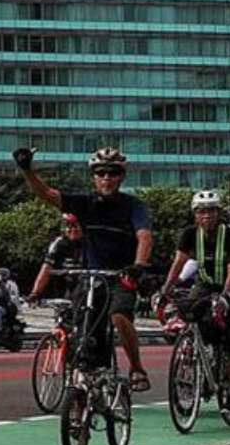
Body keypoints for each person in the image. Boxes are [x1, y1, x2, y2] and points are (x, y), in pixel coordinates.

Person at [13, 145, 153, 390]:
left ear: (121, 177)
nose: (106, 178)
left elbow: (145, 237)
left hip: (121, 276)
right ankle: (83, 388)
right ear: (94, 177)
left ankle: (137, 367)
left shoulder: (133, 205)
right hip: (91, 278)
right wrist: (26, 169)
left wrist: (139, 265)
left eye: (112, 173)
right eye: (101, 173)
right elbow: (47, 194)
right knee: (82, 330)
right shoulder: (84, 203)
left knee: (119, 315)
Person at [158, 190, 230, 410]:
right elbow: (179, 263)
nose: (206, 216)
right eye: (201, 211)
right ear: (195, 215)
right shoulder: (189, 234)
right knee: (192, 315)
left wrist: (226, 296)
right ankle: (198, 360)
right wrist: (165, 290)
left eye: (211, 211)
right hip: (205, 285)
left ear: (219, 213)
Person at [26, 214, 85, 305]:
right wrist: (35, 292)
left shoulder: (90, 242)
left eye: (75, 226)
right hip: (67, 287)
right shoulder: (59, 243)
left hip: (89, 285)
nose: (71, 230)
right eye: (68, 226)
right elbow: (46, 268)